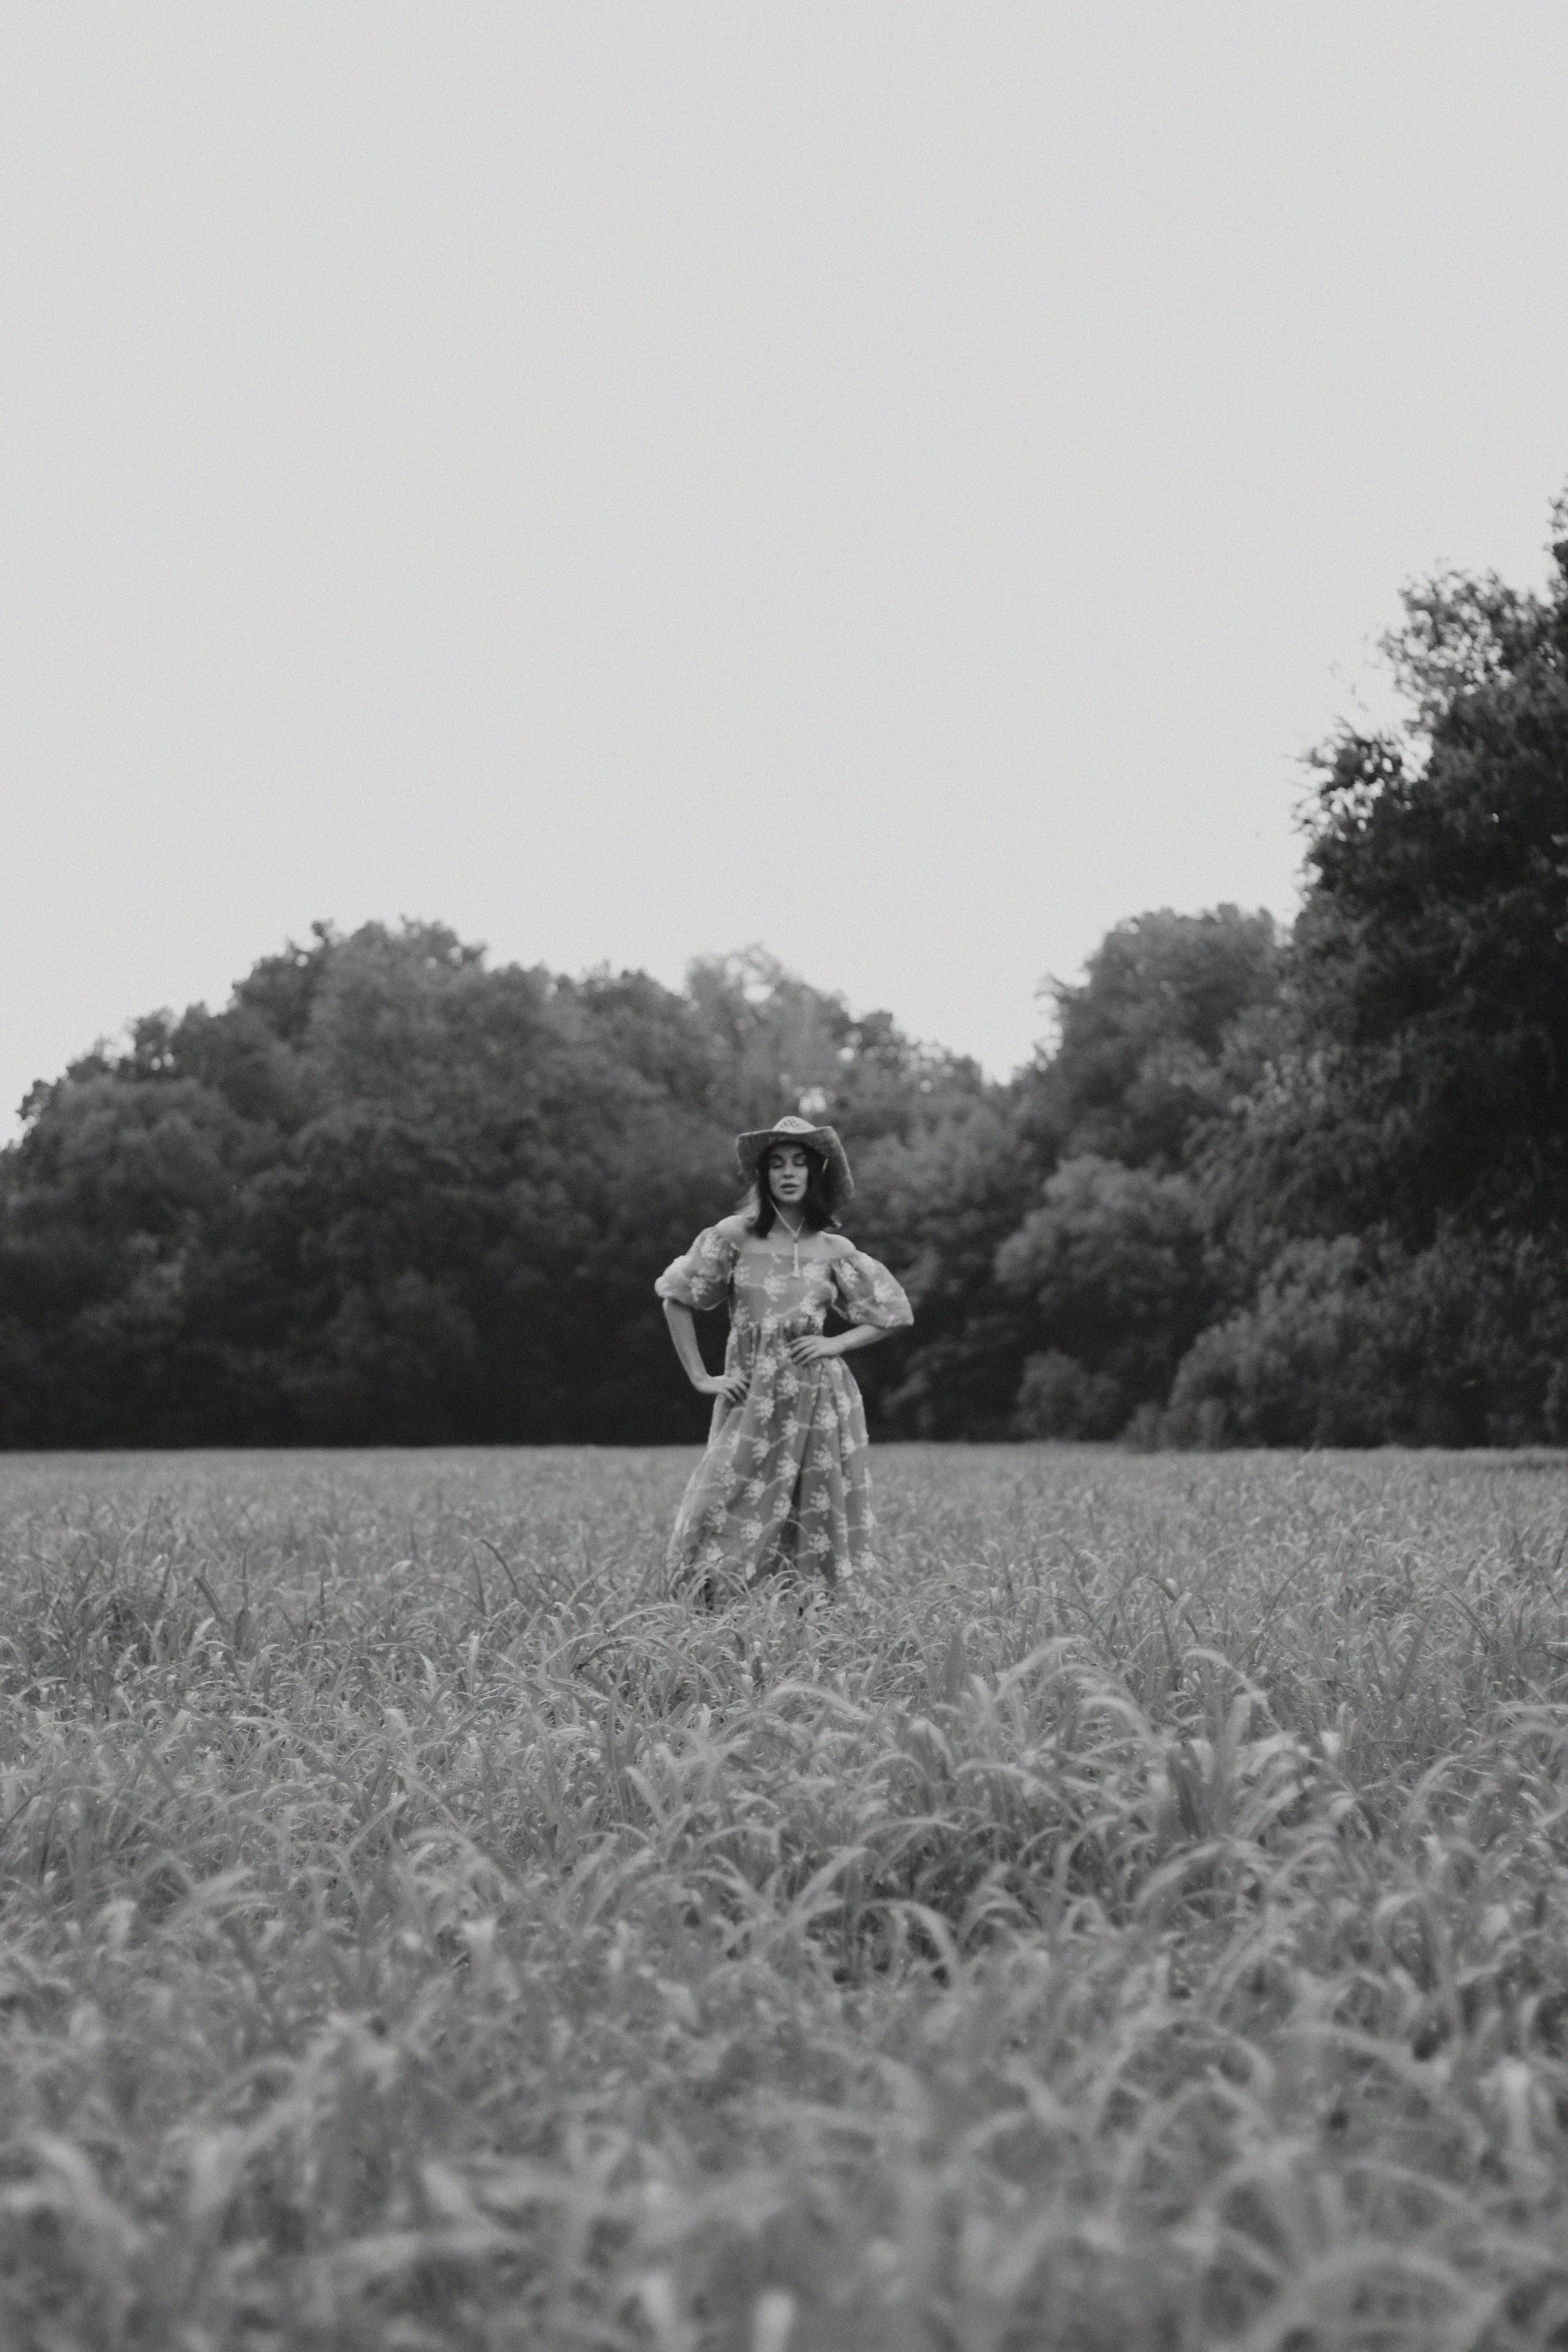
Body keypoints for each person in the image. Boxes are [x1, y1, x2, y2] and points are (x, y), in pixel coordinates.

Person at [656, 1114, 913, 1598]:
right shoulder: (734, 1236)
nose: (789, 1173)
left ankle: (806, 1619)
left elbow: (893, 1312)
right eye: (777, 1164)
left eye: (800, 1163)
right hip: (750, 1396)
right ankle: (706, 1609)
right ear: (764, 1175)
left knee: (813, 1512)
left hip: (818, 1399)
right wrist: (701, 1376)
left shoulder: (834, 1249)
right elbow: (677, 1297)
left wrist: (835, 1343)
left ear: (817, 1174)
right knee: (718, 1504)